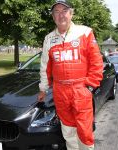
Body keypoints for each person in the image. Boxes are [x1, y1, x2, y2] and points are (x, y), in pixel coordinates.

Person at [37, 0, 103, 150]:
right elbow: (45, 67)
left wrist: (90, 87)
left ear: (71, 13)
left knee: (84, 131)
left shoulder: (85, 32)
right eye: (57, 12)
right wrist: (43, 89)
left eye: (64, 11)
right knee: (67, 130)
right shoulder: (49, 38)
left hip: (81, 89)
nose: (61, 15)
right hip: (60, 91)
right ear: (53, 16)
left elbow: (96, 63)